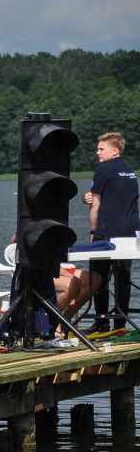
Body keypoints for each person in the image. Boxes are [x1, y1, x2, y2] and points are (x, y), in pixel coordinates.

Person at [81, 132, 138, 331]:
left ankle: (101, 322)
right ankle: (121, 323)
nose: (97, 152)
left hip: (106, 233)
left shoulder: (103, 170)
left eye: (101, 149)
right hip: (131, 233)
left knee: (99, 278)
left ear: (114, 151)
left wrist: (93, 232)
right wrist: (86, 197)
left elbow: (95, 205)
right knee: (123, 278)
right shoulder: (130, 170)